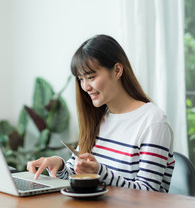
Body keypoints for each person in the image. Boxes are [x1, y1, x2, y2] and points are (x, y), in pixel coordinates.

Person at [27, 34, 175, 192]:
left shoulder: (153, 121)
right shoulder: (97, 118)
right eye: (81, 79)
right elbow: (75, 176)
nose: (85, 87)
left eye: (90, 77)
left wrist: (99, 172)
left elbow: (148, 193)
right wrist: (59, 165)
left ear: (117, 70)